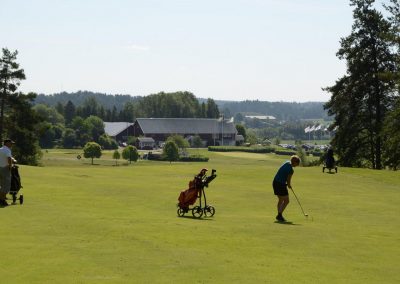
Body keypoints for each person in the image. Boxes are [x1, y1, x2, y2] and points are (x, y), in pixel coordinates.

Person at [272, 155, 301, 222]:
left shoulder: (287, 162)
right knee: (286, 201)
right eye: (297, 163)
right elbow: (288, 180)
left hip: (275, 182)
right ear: (295, 162)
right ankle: (279, 215)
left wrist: (288, 184)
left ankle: (279, 215)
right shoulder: (291, 170)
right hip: (280, 184)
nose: (297, 165)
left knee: (281, 199)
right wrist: (289, 185)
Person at [0, 139, 15, 206]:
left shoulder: (1, 149)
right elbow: (9, 158)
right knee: (6, 186)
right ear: (7, 143)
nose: (12, 145)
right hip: (5, 168)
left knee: (2, 185)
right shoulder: (7, 150)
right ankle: (2, 201)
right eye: (11, 143)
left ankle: (2, 199)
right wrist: (10, 166)